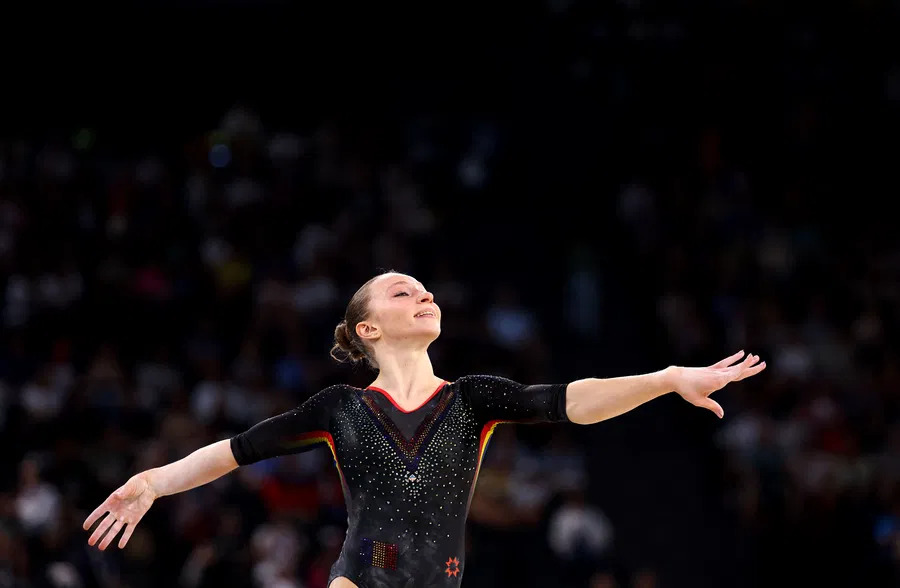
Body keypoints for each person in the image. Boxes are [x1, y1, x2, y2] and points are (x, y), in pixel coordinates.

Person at [83, 270, 766, 587]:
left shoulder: (473, 399)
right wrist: (152, 482)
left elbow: (570, 401)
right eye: (403, 291)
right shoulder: (339, 410)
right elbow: (234, 452)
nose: (425, 295)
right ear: (368, 328)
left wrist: (667, 378)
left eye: (428, 290)